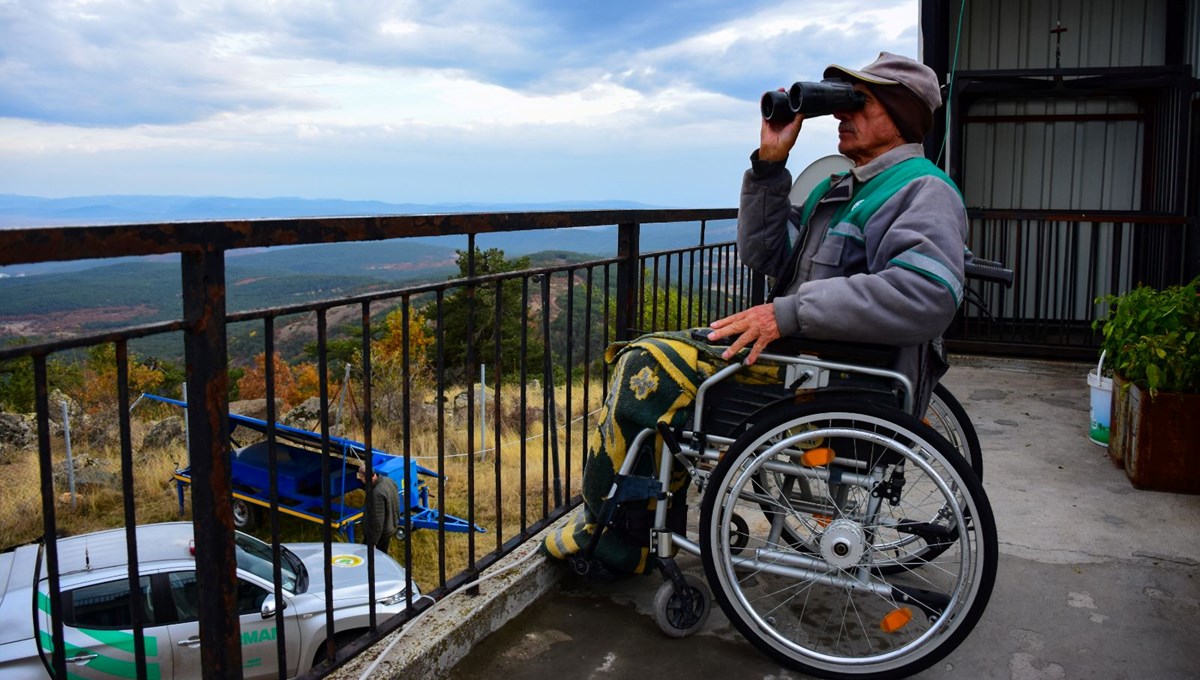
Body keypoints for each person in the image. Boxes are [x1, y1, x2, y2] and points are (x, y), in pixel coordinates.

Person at [543, 52, 966, 577]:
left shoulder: (921, 190)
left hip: (828, 383)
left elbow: (925, 294)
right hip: (807, 366)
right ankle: (639, 526)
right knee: (650, 351)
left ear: (902, 115)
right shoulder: (845, 190)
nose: (841, 114)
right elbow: (767, 255)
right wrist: (769, 166)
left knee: (643, 368)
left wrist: (786, 314)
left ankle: (614, 542)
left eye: (861, 102)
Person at [358, 466, 400, 554]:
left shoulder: (376, 494)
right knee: (383, 555)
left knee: (372, 557)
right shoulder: (389, 481)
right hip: (390, 527)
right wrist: (396, 522)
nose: (361, 480)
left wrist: (373, 542)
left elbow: (378, 521)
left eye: (361, 477)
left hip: (380, 534)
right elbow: (397, 504)